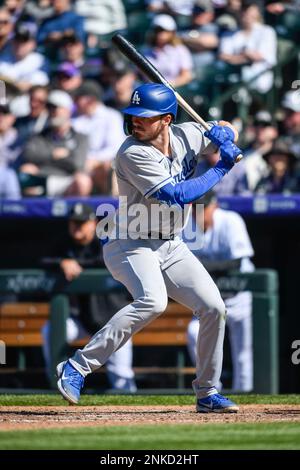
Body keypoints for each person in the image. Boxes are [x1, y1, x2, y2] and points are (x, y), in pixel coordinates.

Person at [56, 82, 242, 413]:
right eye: (133, 115)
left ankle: (207, 392)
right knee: (153, 302)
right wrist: (221, 167)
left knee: (215, 308)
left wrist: (224, 132)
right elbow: (177, 195)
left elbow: (225, 130)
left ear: (167, 119)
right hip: (130, 242)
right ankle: (77, 366)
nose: (136, 122)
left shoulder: (187, 134)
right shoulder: (131, 153)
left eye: (146, 117)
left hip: (171, 244)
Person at [42, 202, 136, 392]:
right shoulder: (64, 244)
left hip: (112, 322)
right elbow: (41, 259)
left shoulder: (106, 240)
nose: (77, 226)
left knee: (122, 379)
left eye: (82, 222)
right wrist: (62, 262)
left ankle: (129, 406)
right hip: (81, 320)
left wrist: (76, 264)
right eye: (74, 222)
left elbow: (103, 261)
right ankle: (56, 383)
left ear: (94, 223)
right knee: (50, 329)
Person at [185, 191, 254, 392]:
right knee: (193, 333)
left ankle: (246, 393)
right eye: (194, 208)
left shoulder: (231, 221)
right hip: (210, 299)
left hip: (238, 295)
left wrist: (202, 266)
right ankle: (212, 388)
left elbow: (235, 262)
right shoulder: (187, 227)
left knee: (243, 352)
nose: (198, 213)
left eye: (202, 208)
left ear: (214, 206)